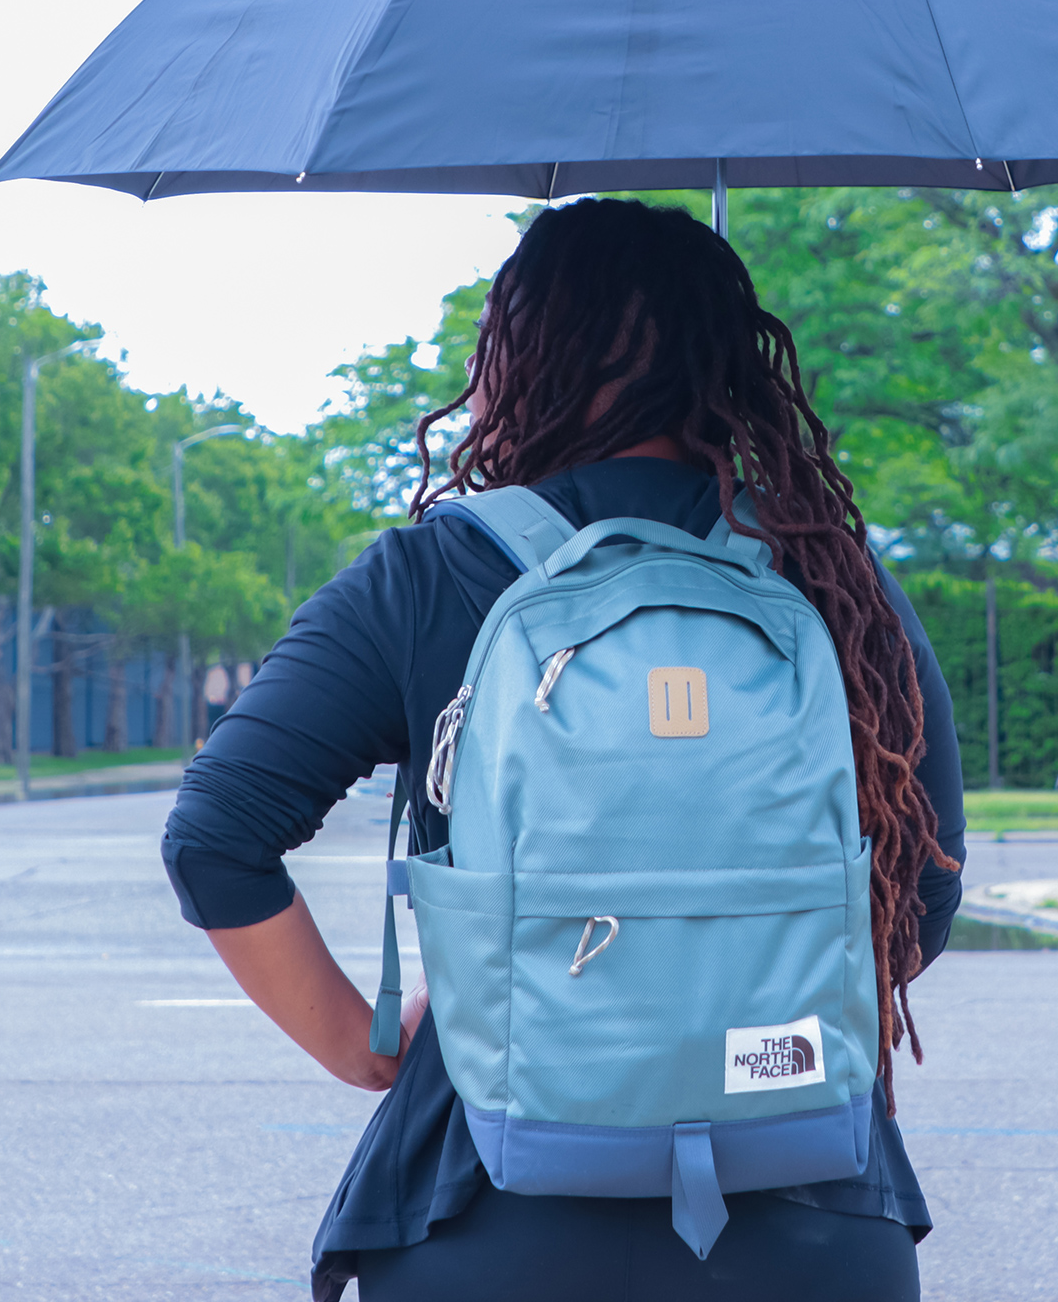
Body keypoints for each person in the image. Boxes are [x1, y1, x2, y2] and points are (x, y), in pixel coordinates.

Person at [162, 197, 967, 1302]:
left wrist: (362, 1044)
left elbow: (216, 839)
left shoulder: (428, 577)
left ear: (524, 358)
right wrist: (731, 997)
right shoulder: (831, 576)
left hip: (489, 1211)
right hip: (810, 1212)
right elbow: (925, 887)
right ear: (726, 363)